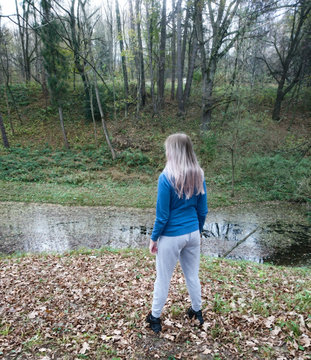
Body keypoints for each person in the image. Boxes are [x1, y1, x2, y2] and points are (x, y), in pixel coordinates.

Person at [146, 133, 208, 334]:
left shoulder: (166, 178)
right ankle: (197, 312)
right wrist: (197, 231)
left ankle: (155, 318)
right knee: (192, 275)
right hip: (192, 232)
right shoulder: (198, 174)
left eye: (167, 149)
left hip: (171, 235)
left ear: (173, 151)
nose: (166, 152)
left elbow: (162, 216)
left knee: (163, 278)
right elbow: (203, 210)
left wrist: (154, 238)